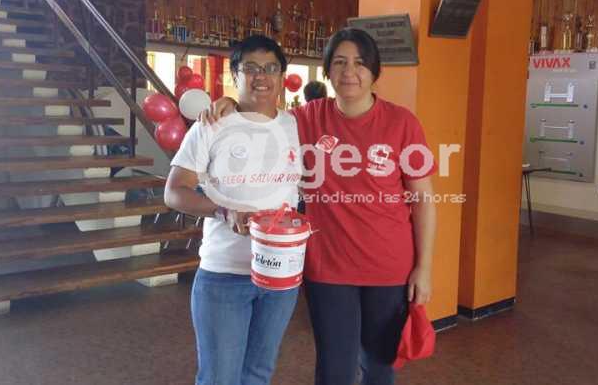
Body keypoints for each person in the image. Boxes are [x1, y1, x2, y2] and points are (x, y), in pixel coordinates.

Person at [204, 28, 437, 385]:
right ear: (327, 71)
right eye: (339, 62)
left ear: (375, 71)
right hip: (328, 267)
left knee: (379, 369)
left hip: (389, 267)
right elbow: (264, 117)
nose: (349, 72)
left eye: (360, 63)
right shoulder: (306, 119)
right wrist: (233, 105)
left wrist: (425, 267)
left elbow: (423, 201)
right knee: (334, 371)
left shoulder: (402, 123)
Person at [164, 35, 302, 385]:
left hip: (281, 276)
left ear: (282, 75)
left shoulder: (295, 125)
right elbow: (174, 192)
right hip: (224, 273)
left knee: (258, 374)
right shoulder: (212, 125)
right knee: (219, 378)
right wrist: (224, 211)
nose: (261, 77)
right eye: (251, 68)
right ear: (235, 74)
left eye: (271, 68)